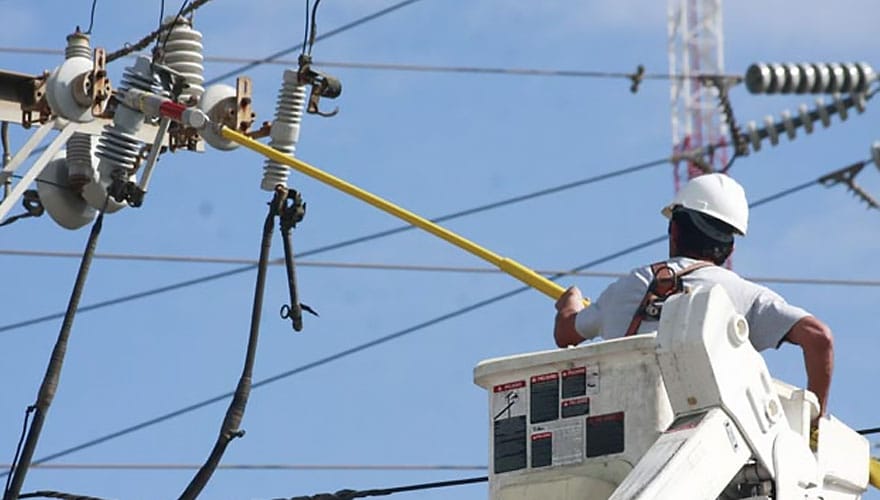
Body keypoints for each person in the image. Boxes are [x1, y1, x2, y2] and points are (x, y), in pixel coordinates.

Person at [553, 173, 834, 418]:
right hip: (706, 438)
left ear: (674, 229)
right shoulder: (744, 296)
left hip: (626, 437)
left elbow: (566, 333)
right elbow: (818, 337)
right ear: (730, 249)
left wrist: (570, 303)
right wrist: (814, 420)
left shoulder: (627, 287)